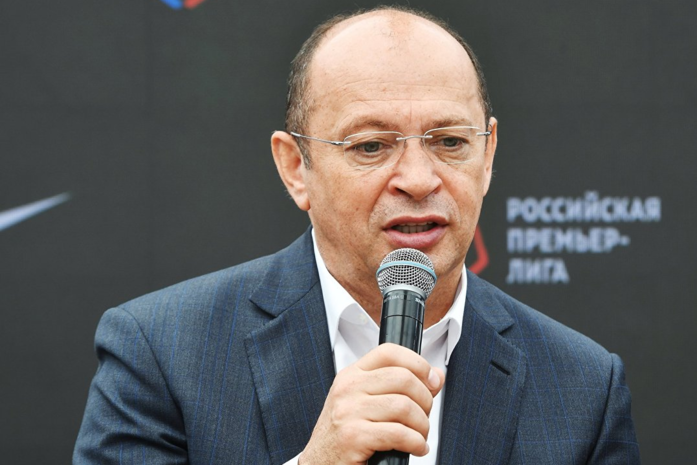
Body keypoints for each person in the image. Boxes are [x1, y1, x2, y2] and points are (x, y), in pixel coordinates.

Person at [74, 5, 639, 465]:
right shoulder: (162, 354)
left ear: (487, 156)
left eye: (449, 141)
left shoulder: (584, 387)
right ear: (295, 168)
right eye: (370, 146)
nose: (418, 179)